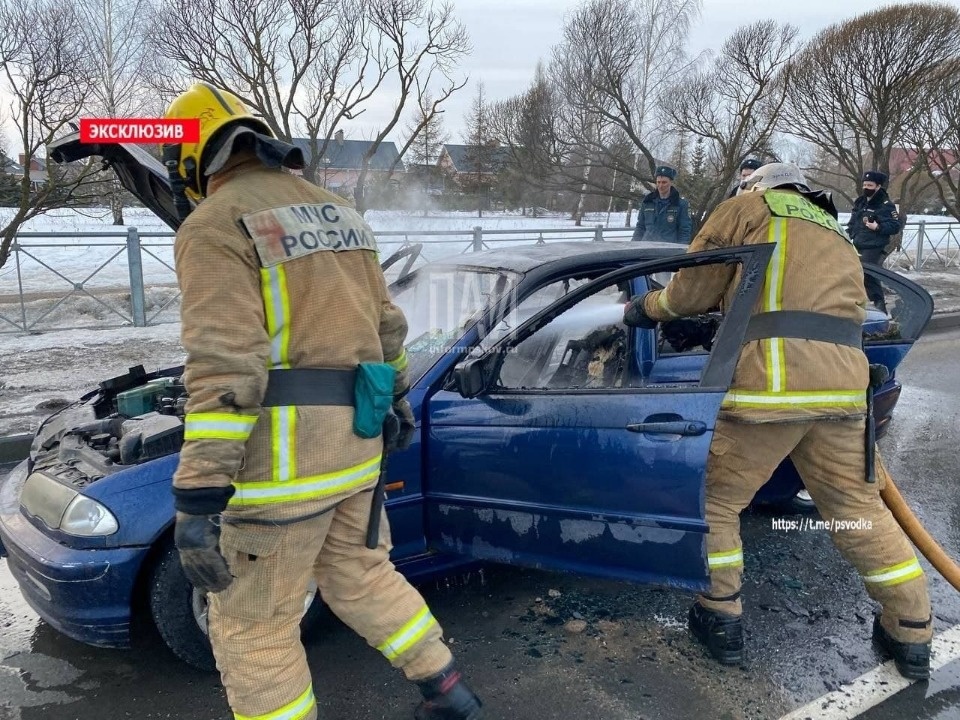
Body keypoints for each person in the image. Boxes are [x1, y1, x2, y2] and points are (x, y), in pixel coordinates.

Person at [164, 83, 481, 720]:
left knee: (254, 625)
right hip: (357, 453)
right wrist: (398, 401)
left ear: (195, 159)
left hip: (280, 474)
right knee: (360, 576)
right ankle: (450, 694)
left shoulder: (214, 225)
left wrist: (199, 493)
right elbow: (389, 329)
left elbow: (227, 366)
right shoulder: (339, 212)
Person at [622, 162, 933, 680]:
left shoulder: (746, 208)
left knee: (716, 500)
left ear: (756, 186)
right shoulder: (833, 228)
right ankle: (913, 629)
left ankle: (720, 618)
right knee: (859, 511)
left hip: (773, 386)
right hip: (843, 388)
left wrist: (645, 308)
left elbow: (690, 294)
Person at [847, 170, 901, 313]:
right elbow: (853, 221)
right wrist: (848, 234)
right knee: (854, 275)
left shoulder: (885, 204)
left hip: (874, 246)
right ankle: (859, 305)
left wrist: (878, 227)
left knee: (868, 274)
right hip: (858, 243)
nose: (866, 188)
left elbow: (895, 226)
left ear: (878, 186)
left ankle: (879, 306)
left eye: (870, 185)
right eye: (864, 184)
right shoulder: (861, 201)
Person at [631, 164, 692, 244]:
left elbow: (684, 231)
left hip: (667, 251)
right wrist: (633, 245)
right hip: (646, 249)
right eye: (658, 182)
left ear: (670, 182)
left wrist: (681, 252)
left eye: (664, 182)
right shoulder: (647, 202)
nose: (660, 185)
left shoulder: (680, 204)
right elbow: (640, 227)